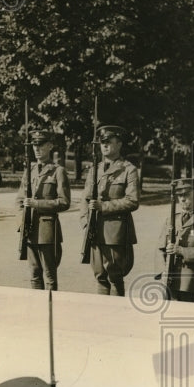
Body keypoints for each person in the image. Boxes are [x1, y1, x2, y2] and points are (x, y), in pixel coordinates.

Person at [79, 125, 140, 296]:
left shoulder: (129, 169)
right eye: (102, 142)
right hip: (94, 230)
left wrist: (103, 206)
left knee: (115, 276)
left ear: (119, 144)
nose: (104, 146)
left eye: (109, 142)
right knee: (99, 276)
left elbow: (132, 201)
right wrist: (85, 222)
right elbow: (85, 199)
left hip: (115, 233)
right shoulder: (95, 169)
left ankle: (117, 315)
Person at [16, 129, 71, 291]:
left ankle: (50, 312)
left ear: (50, 146)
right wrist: (22, 221)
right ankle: (36, 312)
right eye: (34, 146)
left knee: (50, 277)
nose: (37, 149)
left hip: (48, 231)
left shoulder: (58, 171)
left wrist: (37, 204)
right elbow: (19, 200)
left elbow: (64, 202)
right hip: (30, 228)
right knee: (34, 275)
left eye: (41, 146)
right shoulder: (30, 170)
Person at [156, 178, 194, 304]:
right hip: (170, 279)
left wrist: (181, 250)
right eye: (180, 195)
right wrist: (163, 272)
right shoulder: (171, 220)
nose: (182, 199)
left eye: (186, 195)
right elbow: (160, 249)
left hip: (193, 282)